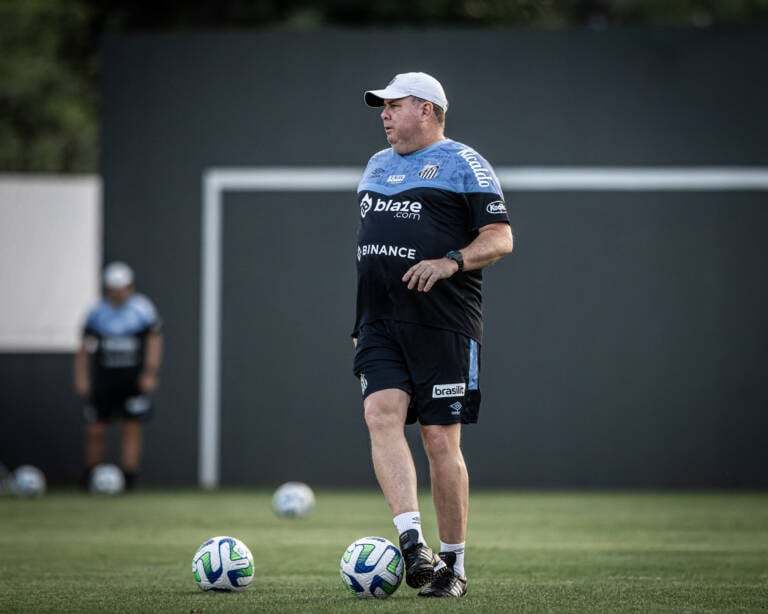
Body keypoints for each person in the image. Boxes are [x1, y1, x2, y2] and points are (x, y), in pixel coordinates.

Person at [353, 72, 514, 597]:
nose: (383, 113)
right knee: (380, 415)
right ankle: (411, 544)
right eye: (382, 106)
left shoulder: (464, 162)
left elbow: (501, 237)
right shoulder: (376, 164)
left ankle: (454, 566)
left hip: (443, 322)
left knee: (439, 438)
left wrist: (451, 262)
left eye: (392, 105)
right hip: (379, 321)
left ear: (426, 109)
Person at [74, 262, 162, 490]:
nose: (118, 292)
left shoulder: (142, 310)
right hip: (104, 379)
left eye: (122, 287)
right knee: (96, 428)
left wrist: (150, 372)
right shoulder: (97, 312)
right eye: (113, 288)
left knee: (131, 426)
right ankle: (91, 476)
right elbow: (84, 346)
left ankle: (130, 477)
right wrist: (82, 377)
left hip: (131, 379)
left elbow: (154, 340)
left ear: (130, 287)